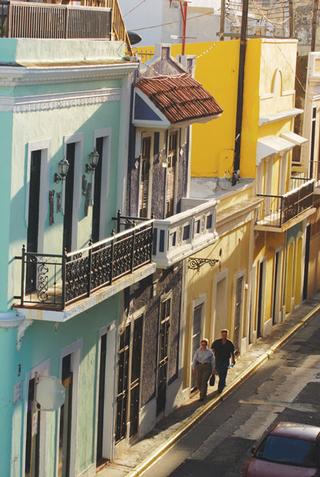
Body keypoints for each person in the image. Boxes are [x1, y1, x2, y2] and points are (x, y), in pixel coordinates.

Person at [211, 329, 235, 393]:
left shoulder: (229, 343)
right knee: (219, 372)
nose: (224, 336)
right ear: (221, 335)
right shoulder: (216, 342)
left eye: (225, 334)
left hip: (225, 361)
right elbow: (212, 350)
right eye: (223, 334)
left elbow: (232, 352)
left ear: (227, 335)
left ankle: (220, 388)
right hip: (217, 360)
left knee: (223, 374)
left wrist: (233, 360)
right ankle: (223, 383)